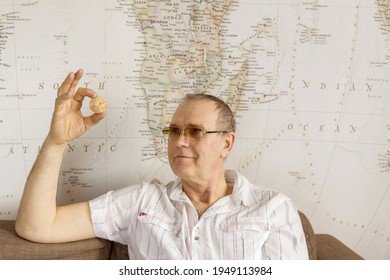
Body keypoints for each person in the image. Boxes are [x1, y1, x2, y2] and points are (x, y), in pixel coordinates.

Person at [15, 69, 308, 259]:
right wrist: (56, 142)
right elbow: (36, 226)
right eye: (174, 131)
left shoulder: (273, 209)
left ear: (227, 143)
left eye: (195, 132)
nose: (180, 141)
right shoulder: (141, 202)